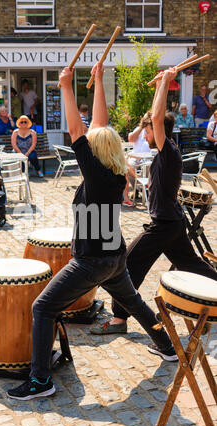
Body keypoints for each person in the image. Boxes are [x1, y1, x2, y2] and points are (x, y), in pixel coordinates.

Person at [7, 62, 178, 402]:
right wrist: (97, 80)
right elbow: (99, 125)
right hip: (114, 256)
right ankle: (167, 345)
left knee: (43, 308)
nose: (87, 141)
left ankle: (41, 380)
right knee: (133, 302)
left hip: (92, 261)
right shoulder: (112, 174)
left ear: (95, 152)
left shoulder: (97, 177)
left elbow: (76, 130)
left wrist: (67, 87)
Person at [90, 67, 217, 336]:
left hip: (164, 224)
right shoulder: (165, 151)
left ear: (158, 130)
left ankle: (119, 318)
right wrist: (160, 84)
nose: (145, 135)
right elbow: (154, 116)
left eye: (148, 130)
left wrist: (168, 81)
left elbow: (157, 118)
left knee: (130, 262)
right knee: (191, 264)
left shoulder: (168, 150)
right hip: (171, 222)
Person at [122, 123, 152, 207]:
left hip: (148, 157)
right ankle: (137, 188)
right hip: (135, 157)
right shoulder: (139, 129)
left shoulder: (154, 129)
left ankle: (147, 190)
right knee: (130, 165)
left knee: (149, 166)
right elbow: (131, 139)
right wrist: (141, 127)